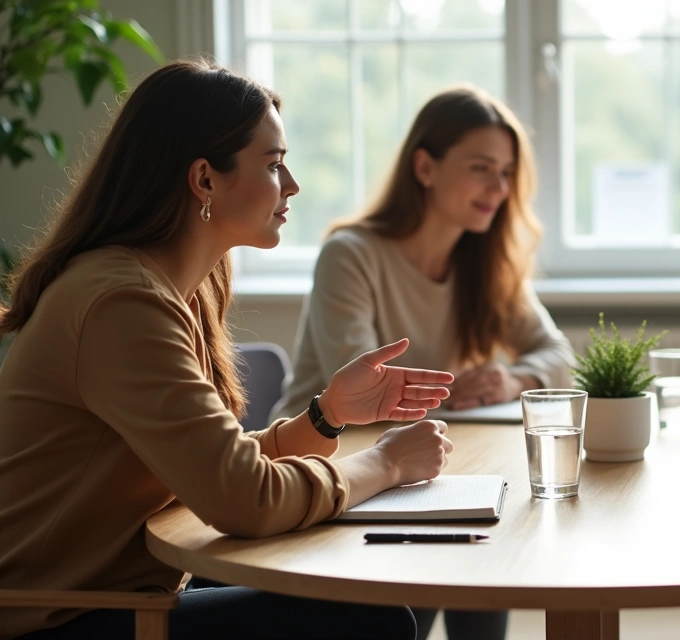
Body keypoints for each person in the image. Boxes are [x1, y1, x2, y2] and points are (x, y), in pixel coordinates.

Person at [0, 59, 457, 640]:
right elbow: (247, 500)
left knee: (361, 581)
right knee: (372, 619)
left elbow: (217, 468)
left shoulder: (173, 289)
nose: (291, 185)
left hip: (127, 591)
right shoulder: (122, 303)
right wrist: (387, 463)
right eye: (273, 164)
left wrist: (327, 414)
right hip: (52, 618)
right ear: (205, 179)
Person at [279, 85, 574, 640]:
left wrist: (513, 378)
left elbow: (559, 355)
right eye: (481, 168)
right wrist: (459, 393)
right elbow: (366, 397)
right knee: (464, 558)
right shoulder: (351, 254)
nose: (499, 188)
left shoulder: (486, 262)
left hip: (426, 468)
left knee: (487, 541)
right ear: (425, 167)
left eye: (507, 173)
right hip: (336, 470)